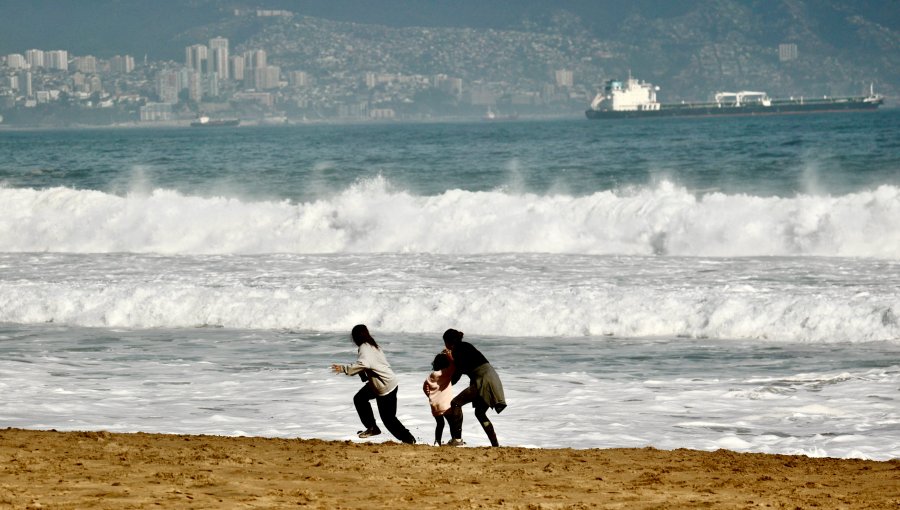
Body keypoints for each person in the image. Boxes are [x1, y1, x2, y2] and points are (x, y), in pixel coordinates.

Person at [331, 324, 415, 444]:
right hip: (383, 382)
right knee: (360, 399)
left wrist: (344, 369)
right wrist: (363, 374)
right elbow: (370, 364)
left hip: (384, 385)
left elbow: (364, 363)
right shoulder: (372, 345)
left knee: (388, 419)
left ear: (355, 338)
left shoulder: (364, 348)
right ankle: (372, 427)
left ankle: (408, 439)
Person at [442, 328, 506, 447]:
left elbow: (458, 373)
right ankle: (495, 445)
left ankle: (457, 439)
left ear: (448, 342)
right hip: (492, 377)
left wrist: (444, 385)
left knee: (456, 403)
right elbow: (467, 366)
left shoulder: (457, 350)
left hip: (483, 380)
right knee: (480, 413)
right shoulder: (465, 346)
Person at [422, 349, 455, 445]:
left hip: (435, 404)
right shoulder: (447, 373)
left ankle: (437, 441)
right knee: (451, 423)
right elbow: (454, 365)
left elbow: (425, 387)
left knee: (440, 424)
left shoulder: (432, 375)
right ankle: (454, 439)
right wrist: (449, 355)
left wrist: (429, 395)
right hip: (446, 404)